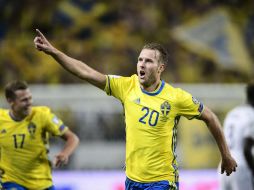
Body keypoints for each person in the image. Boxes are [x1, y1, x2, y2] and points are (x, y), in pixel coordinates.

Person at [34, 29, 237, 190]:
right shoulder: (126, 87)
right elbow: (85, 72)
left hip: (162, 181)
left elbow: (210, 117)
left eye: (148, 61)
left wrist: (226, 155)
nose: (141, 64)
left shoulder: (176, 97)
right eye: (140, 59)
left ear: (160, 68)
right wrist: (54, 52)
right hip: (132, 180)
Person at [0, 80, 79, 190]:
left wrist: (65, 154)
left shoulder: (42, 115)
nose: (29, 103)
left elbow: (73, 138)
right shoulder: (1, 119)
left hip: (41, 182)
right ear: (10, 101)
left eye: (30, 98)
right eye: (24, 100)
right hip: (12, 181)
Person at [219, 82, 254, 190]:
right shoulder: (252, 115)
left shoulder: (232, 113)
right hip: (242, 167)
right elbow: (246, 149)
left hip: (224, 163)